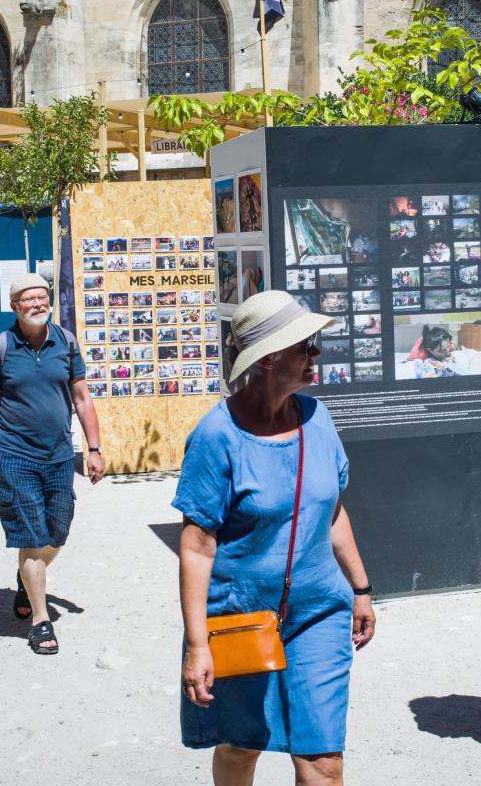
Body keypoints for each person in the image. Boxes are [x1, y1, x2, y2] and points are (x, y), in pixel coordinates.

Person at [176, 289, 375, 786]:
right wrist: (198, 645)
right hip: (240, 615)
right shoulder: (216, 435)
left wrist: (361, 588)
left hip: (318, 613)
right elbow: (198, 547)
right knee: (243, 746)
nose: (317, 354)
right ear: (267, 359)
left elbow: (331, 513)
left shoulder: (318, 419)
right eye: (305, 345)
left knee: (322, 762)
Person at [0, 273, 105, 655]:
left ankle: (27, 575)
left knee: (57, 533)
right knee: (31, 536)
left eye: (42, 297)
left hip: (60, 457)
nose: (36, 304)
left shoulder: (66, 342)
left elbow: (81, 398)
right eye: (28, 299)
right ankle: (40, 621)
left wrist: (93, 449)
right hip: (17, 457)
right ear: (15, 306)